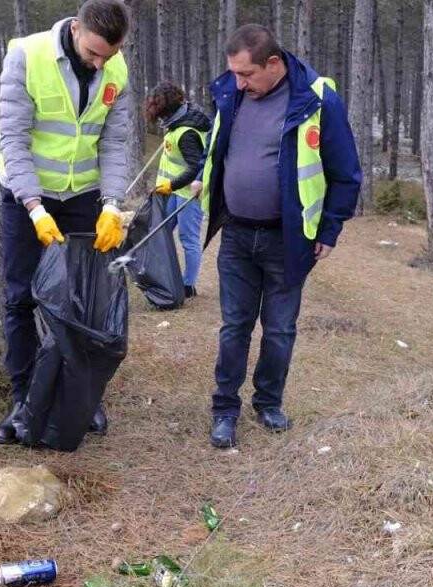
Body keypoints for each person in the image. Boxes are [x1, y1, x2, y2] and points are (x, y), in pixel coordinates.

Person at [199, 25, 361, 449]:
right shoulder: (232, 94)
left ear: (273, 64)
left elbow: (346, 173)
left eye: (247, 74)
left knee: (279, 330)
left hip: (288, 240)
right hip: (235, 235)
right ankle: (224, 410)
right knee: (234, 326)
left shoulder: (317, 99)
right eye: (234, 73)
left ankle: (268, 402)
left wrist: (330, 229)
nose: (239, 82)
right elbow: (220, 152)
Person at [0, 0, 133, 445]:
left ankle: (80, 394)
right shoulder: (27, 56)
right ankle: (23, 397)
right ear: (76, 29)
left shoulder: (116, 68)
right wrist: (33, 206)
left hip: (83, 196)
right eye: (93, 53)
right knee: (20, 297)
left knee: (82, 298)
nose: (99, 63)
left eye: (108, 56)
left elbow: (115, 141)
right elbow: (13, 138)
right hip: (26, 195)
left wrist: (112, 203)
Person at [144, 81, 210, 299]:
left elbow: (195, 168)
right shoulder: (176, 123)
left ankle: (188, 285)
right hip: (173, 192)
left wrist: (171, 184)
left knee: (188, 238)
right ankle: (161, 274)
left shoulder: (187, 132)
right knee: (161, 232)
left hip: (188, 194)